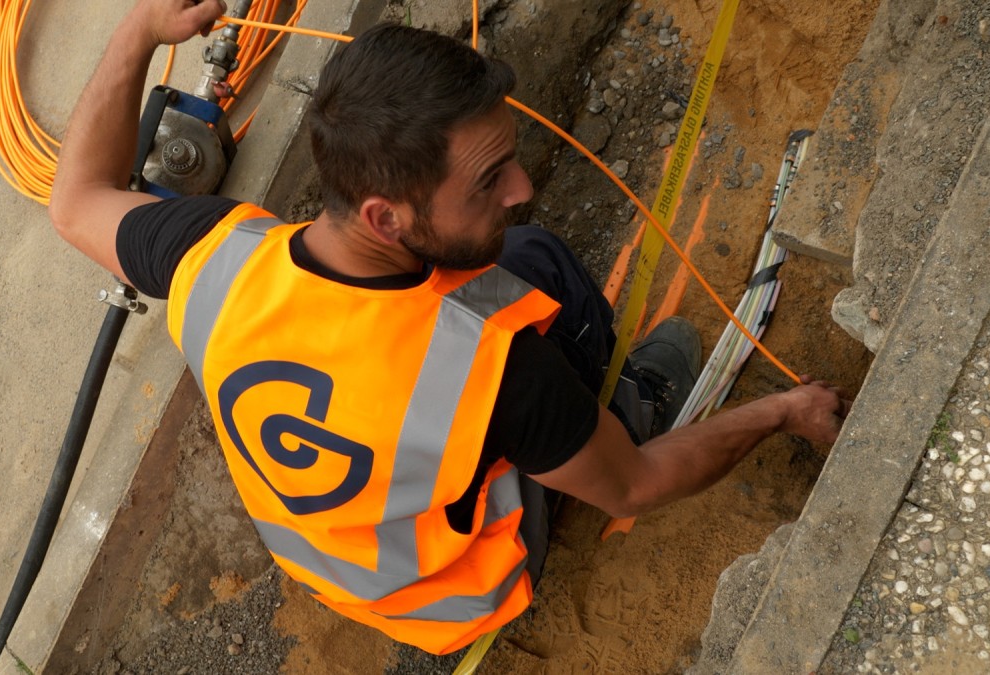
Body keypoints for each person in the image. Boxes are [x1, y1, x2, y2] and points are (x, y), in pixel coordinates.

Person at [50, 0, 850, 656]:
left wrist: (136, 31)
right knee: (535, 286)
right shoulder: (491, 368)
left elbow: (75, 200)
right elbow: (636, 484)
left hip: (341, 559)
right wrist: (783, 410)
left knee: (525, 252)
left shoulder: (213, 254)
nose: (522, 183)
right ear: (383, 216)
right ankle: (633, 401)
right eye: (487, 178)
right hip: (463, 586)